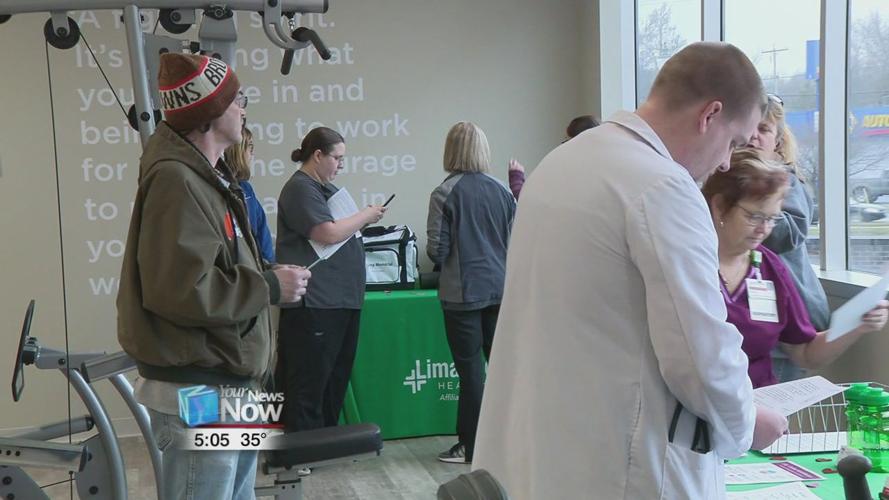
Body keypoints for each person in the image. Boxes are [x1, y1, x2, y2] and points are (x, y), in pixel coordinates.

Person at [472, 42, 788, 500]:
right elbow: (699, 353)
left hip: (546, 452)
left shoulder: (560, 163)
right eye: (734, 142)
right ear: (710, 115)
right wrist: (744, 424)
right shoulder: (664, 188)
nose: (725, 162)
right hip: (623, 468)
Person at [117, 53, 310, 500]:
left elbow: (213, 269)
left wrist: (264, 274)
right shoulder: (176, 182)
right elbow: (182, 290)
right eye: (237, 100)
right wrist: (269, 286)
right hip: (199, 394)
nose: (243, 108)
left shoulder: (206, 179)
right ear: (208, 114)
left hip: (231, 385)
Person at [703, 147, 889, 389]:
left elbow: (805, 353)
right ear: (719, 206)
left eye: (772, 218)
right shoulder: (690, 263)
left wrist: (858, 323)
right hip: (701, 407)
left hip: (761, 405)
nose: (764, 229)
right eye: (754, 217)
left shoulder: (769, 266)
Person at [275, 126, 387, 433]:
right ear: (318, 155)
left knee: (332, 379)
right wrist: (366, 214)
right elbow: (327, 233)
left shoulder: (325, 190)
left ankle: (322, 444)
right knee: (309, 382)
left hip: (339, 300)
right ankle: (301, 449)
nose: (340, 165)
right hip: (317, 303)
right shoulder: (300, 188)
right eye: (336, 158)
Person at [426, 122, 516, 464]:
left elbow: (436, 249)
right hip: (501, 290)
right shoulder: (503, 191)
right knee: (504, 370)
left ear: (450, 150)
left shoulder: (444, 193)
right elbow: (514, 239)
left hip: (462, 296)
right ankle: (509, 442)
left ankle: (471, 447)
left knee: (471, 374)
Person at [747, 94, 828, 382]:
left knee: (777, 407)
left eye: (764, 130)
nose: (753, 137)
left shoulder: (788, 182)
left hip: (787, 316)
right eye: (749, 127)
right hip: (752, 317)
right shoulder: (725, 179)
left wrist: (750, 205)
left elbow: (790, 234)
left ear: (777, 141)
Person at [508, 114, 600, 198]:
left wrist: (516, 178)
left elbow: (531, 203)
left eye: (566, 141)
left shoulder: (568, 174)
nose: (562, 146)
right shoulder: (600, 174)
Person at [225, 127, 275, 262]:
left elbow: (261, 231)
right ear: (238, 151)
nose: (253, 154)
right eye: (250, 147)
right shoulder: (220, 189)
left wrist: (270, 266)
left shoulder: (246, 188)